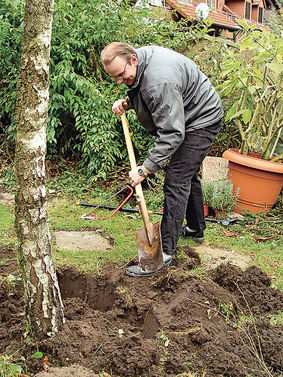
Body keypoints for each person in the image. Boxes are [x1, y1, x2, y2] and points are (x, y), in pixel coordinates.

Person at [101, 42, 223, 277]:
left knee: (176, 179)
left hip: (201, 118)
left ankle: (165, 253)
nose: (119, 81)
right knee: (186, 173)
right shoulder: (140, 64)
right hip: (186, 115)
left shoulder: (159, 80)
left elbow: (173, 133)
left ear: (132, 60)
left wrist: (145, 169)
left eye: (120, 75)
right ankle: (196, 229)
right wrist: (128, 102)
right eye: (114, 77)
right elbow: (143, 90)